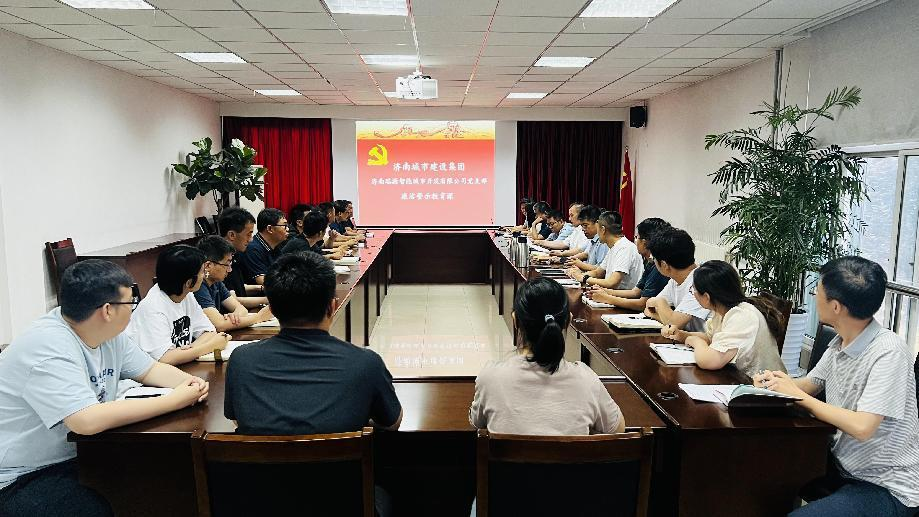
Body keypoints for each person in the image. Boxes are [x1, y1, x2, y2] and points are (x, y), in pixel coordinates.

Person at [0, 260, 209, 517]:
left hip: (79, 453)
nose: (133, 308)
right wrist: (175, 400)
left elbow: (150, 370)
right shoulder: (48, 346)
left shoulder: (107, 334)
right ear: (108, 310)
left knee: (163, 480)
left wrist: (189, 383)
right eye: (131, 302)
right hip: (19, 476)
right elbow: (86, 421)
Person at [756, 257, 919, 517]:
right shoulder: (841, 342)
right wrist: (772, 383)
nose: (814, 294)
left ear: (835, 306)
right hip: (842, 465)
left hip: (886, 484)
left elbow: (863, 427)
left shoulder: (889, 352)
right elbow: (809, 385)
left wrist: (798, 396)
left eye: (818, 290)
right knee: (758, 471)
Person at [469, 276, 624, 435]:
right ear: (568, 320)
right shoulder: (586, 380)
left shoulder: (491, 377)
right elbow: (617, 430)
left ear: (515, 320)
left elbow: (476, 423)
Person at [661, 260, 786, 377]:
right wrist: (681, 335)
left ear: (707, 297)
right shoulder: (722, 310)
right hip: (739, 379)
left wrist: (695, 341)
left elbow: (709, 361)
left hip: (763, 387)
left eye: (693, 289)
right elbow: (711, 338)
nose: (693, 293)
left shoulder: (742, 316)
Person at [127, 245, 229, 365]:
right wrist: (211, 346)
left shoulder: (186, 294)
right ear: (189, 283)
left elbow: (208, 332)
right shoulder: (153, 308)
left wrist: (189, 351)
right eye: (202, 272)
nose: (205, 275)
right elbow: (165, 359)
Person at [585, 217, 672, 311]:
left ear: (644, 242)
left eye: (636, 237)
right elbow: (635, 292)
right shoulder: (650, 262)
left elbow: (642, 304)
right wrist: (604, 291)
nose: (635, 241)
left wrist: (606, 298)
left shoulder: (659, 266)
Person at [194, 236, 273, 331]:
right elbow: (220, 325)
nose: (230, 270)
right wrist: (259, 317)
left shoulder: (216, 282)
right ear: (208, 266)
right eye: (226, 264)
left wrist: (234, 318)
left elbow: (241, 309)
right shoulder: (198, 286)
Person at [644, 227, 710, 332]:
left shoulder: (700, 281)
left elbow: (673, 324)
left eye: (654, 258)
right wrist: (664, 314)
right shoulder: (675, 280)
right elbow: (649, 308)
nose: (653, 262)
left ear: (664, 265)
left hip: (713, 341)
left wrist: (659, 302)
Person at [569, 210, 643, 290]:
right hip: (611, 294)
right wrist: (578, 275)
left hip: (620, 296)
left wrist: (584, 278)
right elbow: (598, 272)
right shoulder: (614, 246)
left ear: (603, 230)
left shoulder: (624, 248)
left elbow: (612, 283)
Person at [217, 207, 266, 309]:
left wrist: (261, 288)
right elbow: (232, 299)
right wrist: (271, 300)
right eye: (248, 234)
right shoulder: (219, 262)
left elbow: (238, 288)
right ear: (232, 235)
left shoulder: (236, 255)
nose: (251, 239)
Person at [243, 208, 288, 285]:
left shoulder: (275, 246)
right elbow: (263, 281)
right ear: (270, 229)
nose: (287, 229)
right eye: (284, 225)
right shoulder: (253, 249)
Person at [562, 205, 608, 270]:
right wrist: (565, 260)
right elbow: (585, 254)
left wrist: (580, 264)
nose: (583, 229)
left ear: (597, 223)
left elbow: (601, 270)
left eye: (585, 225)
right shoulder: (593, 238)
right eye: (582, 226)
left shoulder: (603, 242)